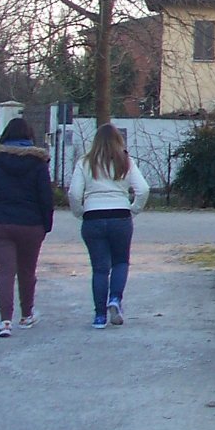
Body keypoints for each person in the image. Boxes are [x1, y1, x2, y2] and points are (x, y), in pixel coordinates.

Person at [69, 123, 150, 329]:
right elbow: (143, 189)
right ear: (118, 141)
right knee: (121, 262)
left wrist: (80, 212)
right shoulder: (126, 161)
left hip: (93, 217)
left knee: (99, 269)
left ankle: (98, 316)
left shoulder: (85, 163)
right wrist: (134, 209)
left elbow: (74, 194)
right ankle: (115, 299)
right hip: (120, 215)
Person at [0, 117, 54, 338]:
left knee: (4, 273)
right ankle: (26, 315)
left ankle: (4, 322)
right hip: (30, 224)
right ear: (29, 136)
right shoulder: (38, 163)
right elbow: (45, 197)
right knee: (27, 271)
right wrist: (45, 225)